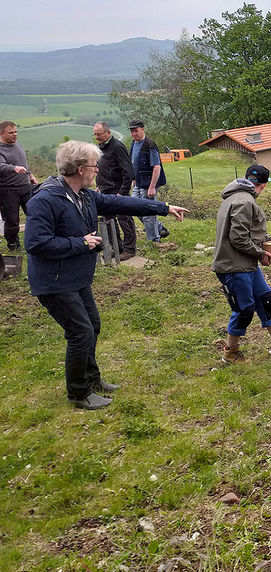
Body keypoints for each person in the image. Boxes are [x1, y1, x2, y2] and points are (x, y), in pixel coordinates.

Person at [25, 141, 189, 410]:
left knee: (92, 326)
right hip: (54, 282)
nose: (97, 170)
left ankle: (92, 379)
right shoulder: (46, 199)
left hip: (77, 278)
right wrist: (80, 243)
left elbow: (120, 202)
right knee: (80, 332)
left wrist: (163, 208)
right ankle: (78, 393)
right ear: (80, 169)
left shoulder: (85, 196)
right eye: (94, 165)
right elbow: (36, 243)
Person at [213, 164, 271, 364]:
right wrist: (261, 253)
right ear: (262, 185)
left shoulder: (235, 197)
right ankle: (231, 352)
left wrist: (267, 242)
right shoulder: (245, 202)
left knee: (266, 300)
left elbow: (249, 231)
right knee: (244, 310)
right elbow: (238, 238)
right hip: (234, 266)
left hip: (246, 265)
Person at [93, 122, 136, 260]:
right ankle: (118, 247)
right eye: (95, 135)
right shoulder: (100, 147)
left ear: (108, 133)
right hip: (104, 190)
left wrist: (122, 192)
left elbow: (128, 171)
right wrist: (98, 185)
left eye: (99, 134)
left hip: (118, 189)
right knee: (108, 219)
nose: (97, 137)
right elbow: (100, 168)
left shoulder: (117, 147)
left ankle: (130, 249)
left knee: (125, 219)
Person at [0, 120, 38, 252]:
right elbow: (1, 166)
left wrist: (30, 175)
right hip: (8, 190)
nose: (15, 135)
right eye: (11, 133)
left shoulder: (18, 145)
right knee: (12, 220)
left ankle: (38, 240)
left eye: (16, 132)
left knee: (35, 213)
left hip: (25, 186)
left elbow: (24, 162)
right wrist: (14, 168)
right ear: (1, 133)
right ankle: (13, 246)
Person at [128, 119, 168, 242]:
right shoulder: (134, 144)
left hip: (148, 184)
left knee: (148, 213)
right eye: (132, 131)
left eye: (136, 131)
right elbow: (133, 163)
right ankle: (160, 228)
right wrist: (133, 179)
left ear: (143, 129)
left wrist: (152, 187)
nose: (134, 134)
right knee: (133, 208)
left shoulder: (150, 145)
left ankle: (154, 240)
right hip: (138, 183)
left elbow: (156, 167)